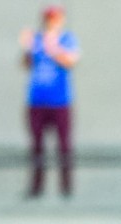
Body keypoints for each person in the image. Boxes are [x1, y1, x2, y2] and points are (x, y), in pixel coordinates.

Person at [20, 5, 78, 198]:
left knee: (64, 146)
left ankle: (66, 188)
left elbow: (71, 61)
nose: (51, 22)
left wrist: (52, 47)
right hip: (37, 101)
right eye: (48, 19)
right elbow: (26, 65)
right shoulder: (36, 39)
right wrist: (27, 47)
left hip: (60, 102)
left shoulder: (67, 39)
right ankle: (36, 187)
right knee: (37, 147)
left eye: (55, 19)